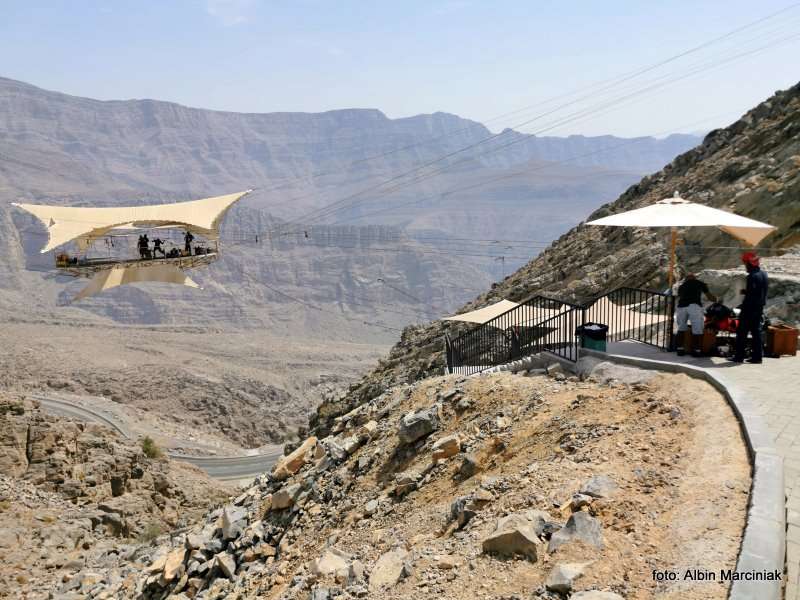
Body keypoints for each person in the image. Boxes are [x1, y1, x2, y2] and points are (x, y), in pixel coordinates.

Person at [733, 251, 769, 363]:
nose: (745, 266)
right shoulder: (764, 274)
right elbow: (758, 291)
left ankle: (739, 356)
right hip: (759, 308)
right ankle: (757, 357)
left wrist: (743, 305)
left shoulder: (752, 276)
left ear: (749, 263)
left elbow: (751, 294)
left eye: (745, 263)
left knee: (742, 332)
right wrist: (746, 291)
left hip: (749, 308)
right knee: (756, 332)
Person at [675, 272, 716, 357]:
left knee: (681, 328)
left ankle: (680, 349)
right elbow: (709, 296)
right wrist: (715, 299)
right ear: (694, 278)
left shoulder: (681, 286)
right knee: (697, 329)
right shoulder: (699, 283)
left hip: (681, 307)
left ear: (686, 279)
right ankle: (696, 350)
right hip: (694, 306)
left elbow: (680, 296)